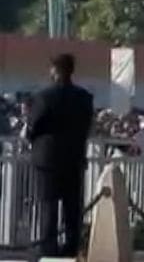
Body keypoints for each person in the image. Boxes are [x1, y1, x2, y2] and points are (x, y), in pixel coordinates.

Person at [25, 53, 95, 259]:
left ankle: (49, 249)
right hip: (74, 158)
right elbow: (86, 126)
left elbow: (33, 127)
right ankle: (71, 248)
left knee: (49, 205)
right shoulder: (84, 98)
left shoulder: (44, 97)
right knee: (72, 206)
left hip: (47, 160)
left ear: (55, 70)